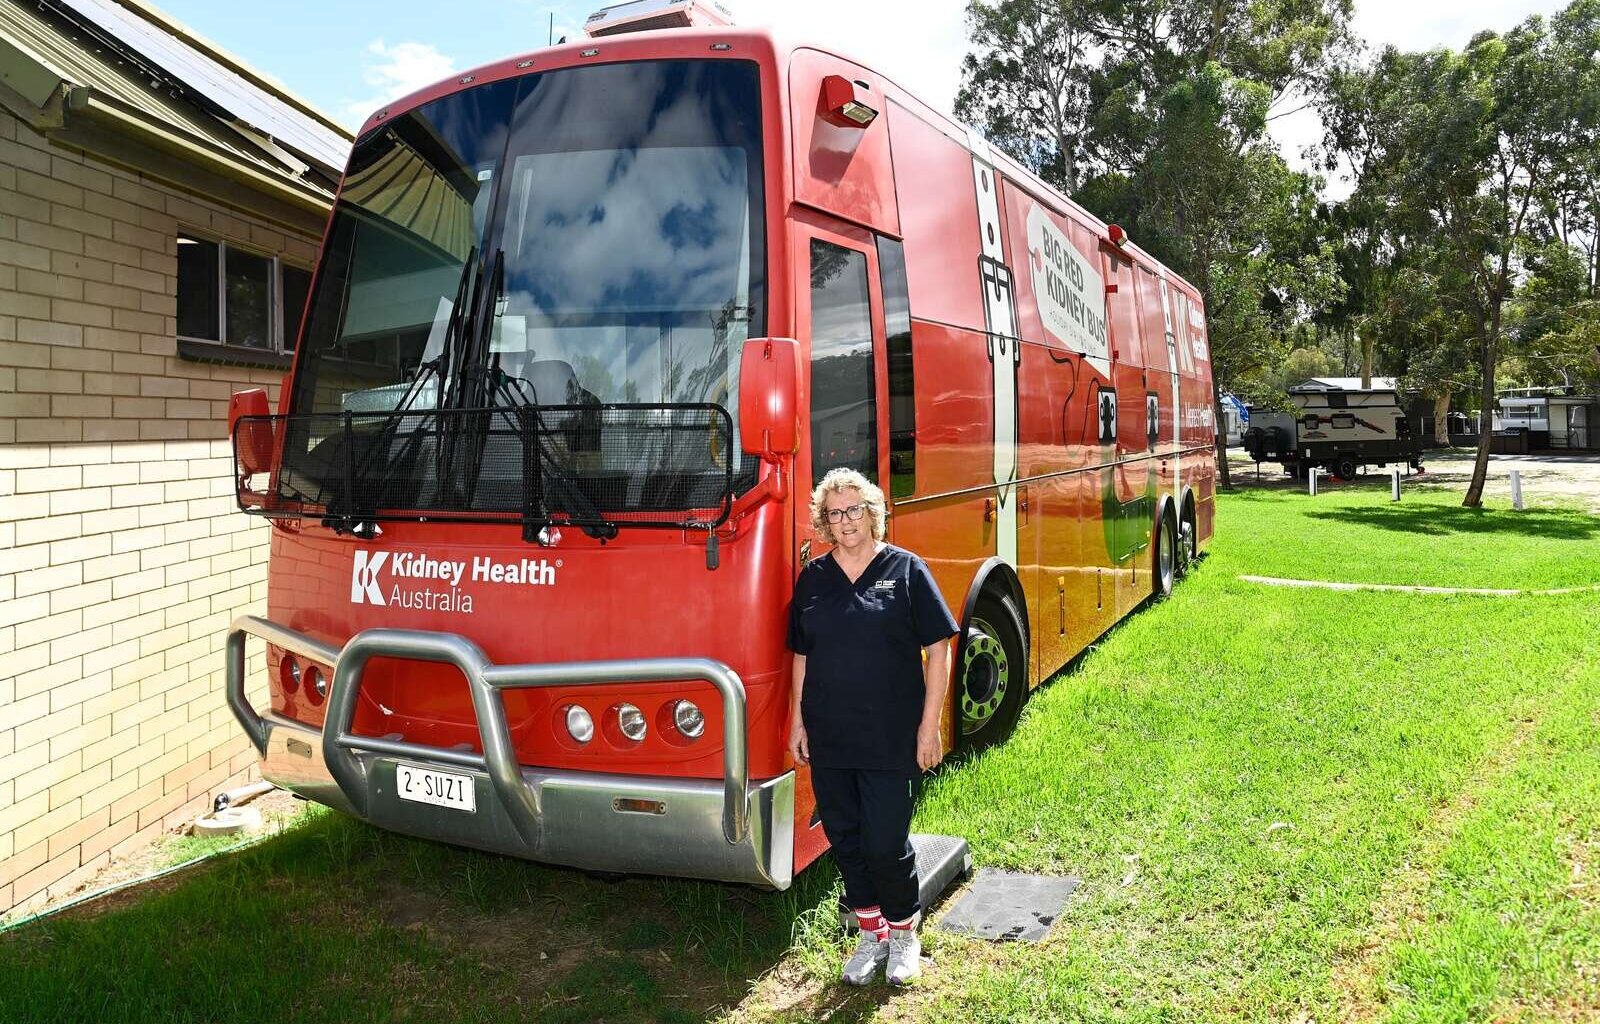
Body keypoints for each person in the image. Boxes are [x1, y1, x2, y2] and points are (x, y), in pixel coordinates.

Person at [786, 467, 959, 987]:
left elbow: (938, 649)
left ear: (873, 513)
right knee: (847, 839)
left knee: (885, 842)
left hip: (890, 737)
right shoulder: (814, 578)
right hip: (832, 736)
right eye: (835, 513)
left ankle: (905, 933)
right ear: (825, 520)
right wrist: (798, 720)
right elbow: (801, 655)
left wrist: (929, 728)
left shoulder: (906, 571)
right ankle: (871, 934)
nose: (846, 521)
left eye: (854, 509)